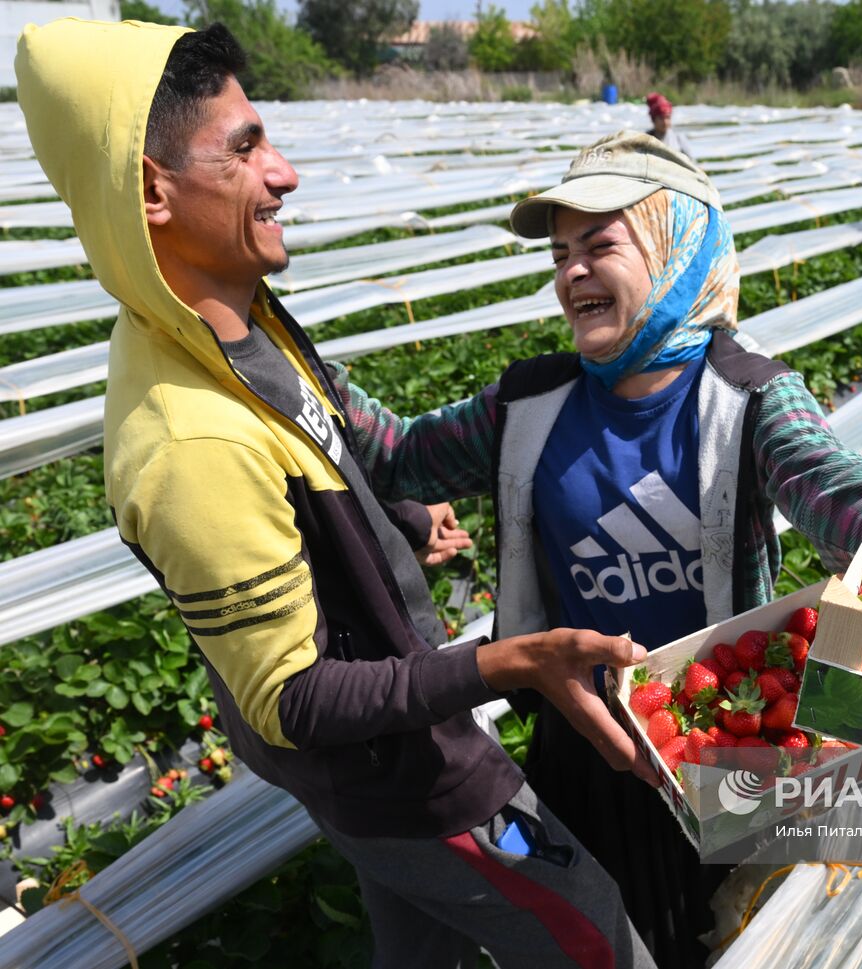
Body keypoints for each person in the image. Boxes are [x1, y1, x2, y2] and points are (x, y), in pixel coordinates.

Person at [16, 20, 658, 969]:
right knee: (591, 925)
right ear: (153, 190)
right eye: (244, 149)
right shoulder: (186, 438)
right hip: (413, 778)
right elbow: (295, 698)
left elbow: (316, 472)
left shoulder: (237, 321)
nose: (285, 173)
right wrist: (507, 662)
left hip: (377, 777)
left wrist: (394, 525)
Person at [331, 131, 862, 966]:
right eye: (561, 254)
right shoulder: (527, 403)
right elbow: (395, 456)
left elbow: (832, 486)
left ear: (678, 250)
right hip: (579, 740)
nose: (571, 273)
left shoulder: (748, 396)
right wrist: (285, 360)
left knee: (712, 936)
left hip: (712, 738)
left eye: (600, 245)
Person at [645, 92, 695, 159]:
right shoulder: (646, 139)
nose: (665, 122)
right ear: (653, 119)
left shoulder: (678, 138)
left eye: (667, 117)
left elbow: (691, 162)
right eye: (661, 118)